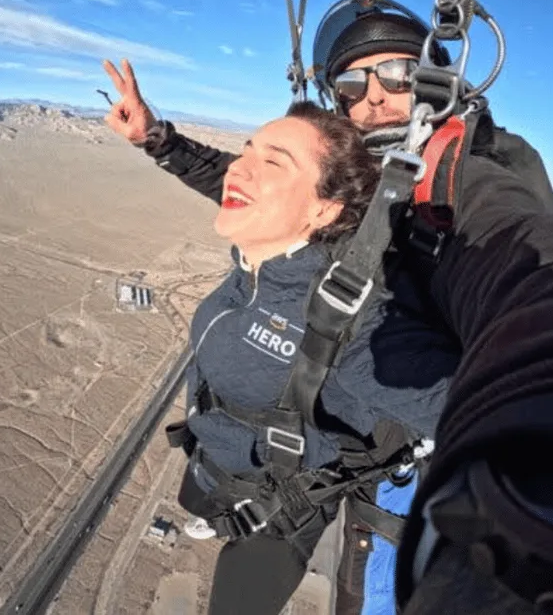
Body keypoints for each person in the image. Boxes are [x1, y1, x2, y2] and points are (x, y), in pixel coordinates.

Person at [102, 0, 553, 614]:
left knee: (371, 585)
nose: (375, 95)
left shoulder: (463, 175)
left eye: (398, 74)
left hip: (386, 430)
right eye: (352, 82)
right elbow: (250, 186)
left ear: (432, 80)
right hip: (307, 449)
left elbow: (537, 264)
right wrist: (158, 139)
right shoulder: (347, 181)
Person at [158, 101, 457, 614]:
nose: (239, 166)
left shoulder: (351, 325)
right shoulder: (258, 259)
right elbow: (227, 182)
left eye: (273, 163)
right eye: (247, 149)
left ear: (324, 211)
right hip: (219, 464)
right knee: (198, 500)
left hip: (281, 508)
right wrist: (157, 141)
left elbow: (494, 416)